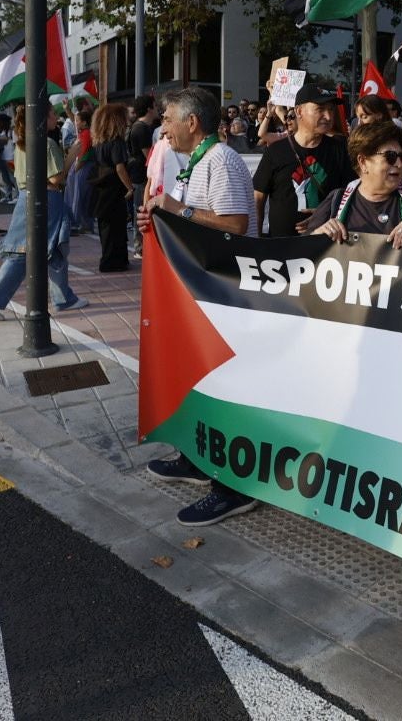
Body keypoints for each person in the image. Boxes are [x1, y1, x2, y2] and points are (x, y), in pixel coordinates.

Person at [138, 87, 258, 526]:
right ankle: (198, 458)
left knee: (224, 385)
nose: (163, 128)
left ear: (192, 122)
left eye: (168, 118)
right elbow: (187, 215)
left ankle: (232, 487)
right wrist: (158, 218)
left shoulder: (220, 160)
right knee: (198, 378)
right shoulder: (198, 161)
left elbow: (235, 225)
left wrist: (177, 210)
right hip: (204, 290)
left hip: (227, 292)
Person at [0, 108, 87, 321]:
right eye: (52, 114)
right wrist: (72, 155)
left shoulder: (22, 143)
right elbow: (56, 178)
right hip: (47, 199)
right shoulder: (47, 143)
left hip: (26, 197)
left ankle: (64, 297)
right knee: (31, 251)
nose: (56, 118)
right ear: (42, 118)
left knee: (52, 248)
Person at [307, 120, 402, 245]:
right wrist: (318, 234)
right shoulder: (336, 201)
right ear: (363, 162)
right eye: (390, 157)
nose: (398, 164)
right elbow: (302, 252)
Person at [252, 83, 355, 239]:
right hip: (280, 247)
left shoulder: (340, 150)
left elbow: (353, 195)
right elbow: (258, 199)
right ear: (299, 111)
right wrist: (257, 241)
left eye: (331, 110)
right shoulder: (276, 150)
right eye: (320, 109)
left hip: (326, 246)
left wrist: (327, 212)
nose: (328, 116)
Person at [89, 103, 135, 273]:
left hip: (102, 188)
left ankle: (111, 259)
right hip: (114, 188)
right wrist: (130, 187)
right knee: (116, 226)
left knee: (106, 227)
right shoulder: (117, 142)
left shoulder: (99, 142)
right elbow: (120, 168)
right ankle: (113, 261)